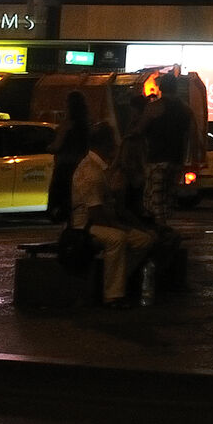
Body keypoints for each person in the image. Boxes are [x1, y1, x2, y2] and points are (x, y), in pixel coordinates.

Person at [71, 124, 155, 308]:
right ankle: (113, 295)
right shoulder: (91, 172)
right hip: (84, 226)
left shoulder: (96, 167)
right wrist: (120, 226)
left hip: (95, 222)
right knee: (117, 238)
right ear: (105, 143)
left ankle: (114, 278)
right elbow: (95, 213)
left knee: (143, 240)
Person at [137, 78, 193, 225]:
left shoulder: (155, 107)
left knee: (154, 199)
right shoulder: (186, 109)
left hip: (157, 158)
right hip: (176, 159)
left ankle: (159, 232)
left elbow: (140, 130)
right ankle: (164, 228)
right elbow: (192, 135)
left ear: (161, 89)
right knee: (168, 196)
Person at [47, 91, 91, 224]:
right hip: (81, 165)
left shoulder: (67, 124)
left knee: (62, 200)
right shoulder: (86, 124)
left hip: (65, 167)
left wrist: (48, 147)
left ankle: (67, 231)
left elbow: (57, 146)